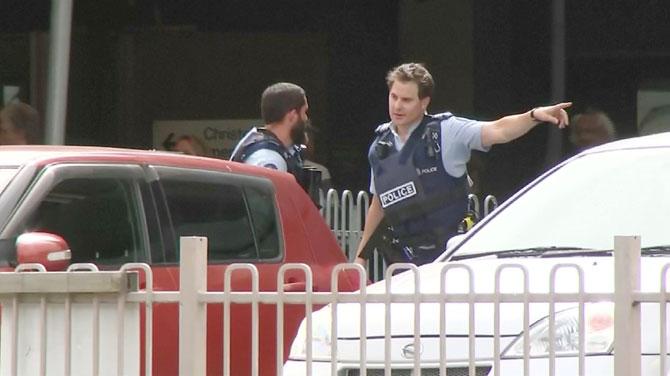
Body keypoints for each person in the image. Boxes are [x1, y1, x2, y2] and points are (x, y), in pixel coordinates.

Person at [355, 62, 571, 267]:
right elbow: (379, 204)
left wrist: (534, 116)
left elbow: (499, 130)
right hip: (404, 263)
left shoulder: (447, 131)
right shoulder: (380, 146)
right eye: (394, 97)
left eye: (406, 100)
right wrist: (360, 259)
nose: (397, 106)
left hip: (451, 258)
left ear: (424, 102)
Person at [230, 82, 309, 184]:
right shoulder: (269, 158)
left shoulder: (280, 150)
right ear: (292, 115)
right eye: (304, 112)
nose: (306, 118)